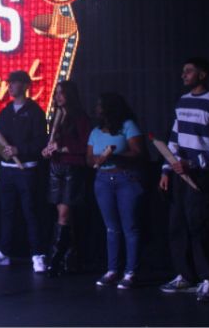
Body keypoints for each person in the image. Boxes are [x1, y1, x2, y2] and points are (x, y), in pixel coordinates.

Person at [158, 58, 209, 302]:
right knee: (177, 224)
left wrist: (195, 163)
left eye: (188, 71)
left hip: (201, 175)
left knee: (199, 226)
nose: (183, 75)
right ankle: (185, 275)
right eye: (183, 71)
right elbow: (174, 139)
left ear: (203, 74)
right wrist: (167, 170)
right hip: (180, 174)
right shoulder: (183, 102)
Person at [0, 71, 48, 273]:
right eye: (9, 83)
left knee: (30, 213)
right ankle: (3, 253)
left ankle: (37, 254)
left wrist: (19, 151)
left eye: (14, 83)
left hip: (27, 171)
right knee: (6, 213)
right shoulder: (5, 112)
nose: (10, 86)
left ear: (25, 85)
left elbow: (40, 143)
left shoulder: (35, 112)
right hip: (7, 171)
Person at [87, 92, 143, 289]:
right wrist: (98, 159)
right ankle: (112, 270)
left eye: (100, 105)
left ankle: (131, 272)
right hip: (102, 179)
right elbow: (89, 158)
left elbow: (138, 152)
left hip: (126, 178)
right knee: (111, 228)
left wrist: (115, 155)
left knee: (130, 227)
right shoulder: (95, 131)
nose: (97, 109)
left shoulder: (127, 126)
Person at [40, 81, 90, 277]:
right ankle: (68, 260)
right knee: (61, 214)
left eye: (62, 93)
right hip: (55, 166)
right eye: (57, 93)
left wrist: (63, 149)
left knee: (64, 213)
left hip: (72, 167)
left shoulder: (80, 117)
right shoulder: (55, 117)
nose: (58, 96)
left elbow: (86, 146)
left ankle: (55, 259)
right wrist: (48, 150)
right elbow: (52, 142)